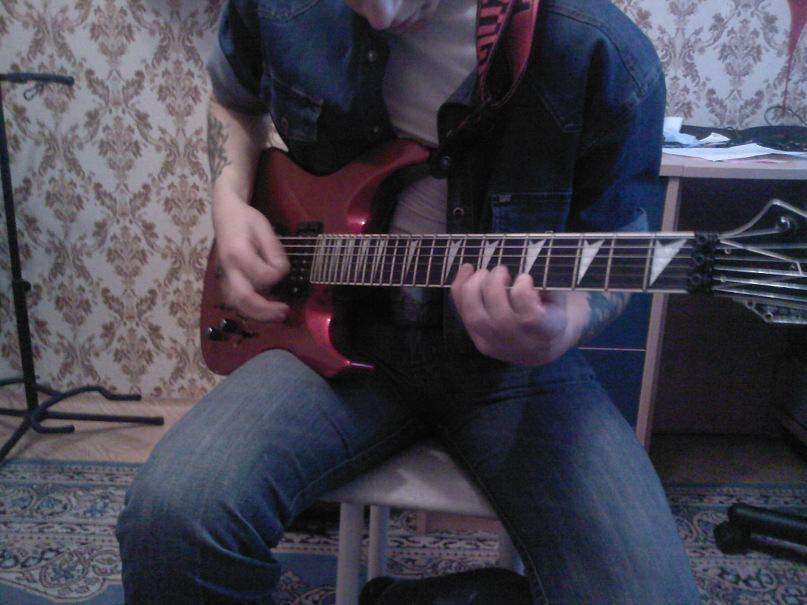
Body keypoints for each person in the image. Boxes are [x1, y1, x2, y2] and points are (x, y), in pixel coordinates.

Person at [116, 0, 702, 602]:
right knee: (172, 519)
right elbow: (233, 100)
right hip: (340, 340)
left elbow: (620, 236)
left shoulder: (600, 48)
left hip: (514, 373)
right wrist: (230, 204)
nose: (376, 12)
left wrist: (565, 323)